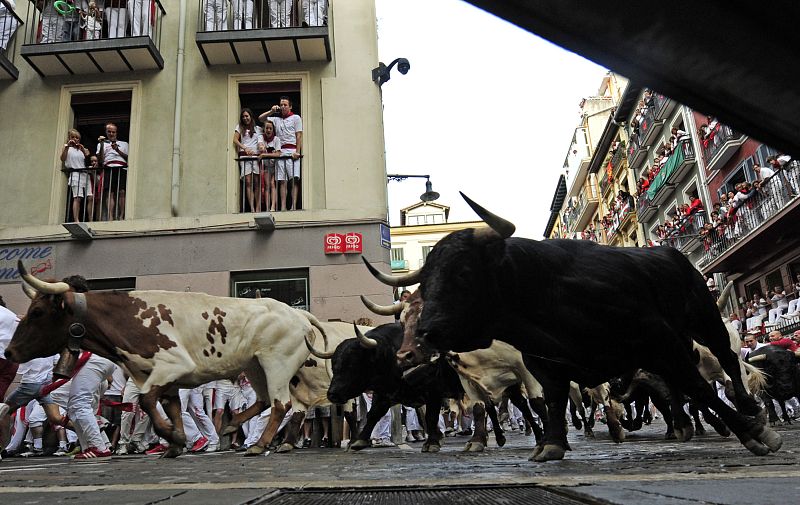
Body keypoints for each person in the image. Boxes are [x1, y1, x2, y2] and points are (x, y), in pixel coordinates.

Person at [259, 96, 303, 211]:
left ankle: (293, 206)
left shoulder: (296, 118)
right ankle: (283, 207)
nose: (283, 107)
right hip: (280, 151)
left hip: (292, 151)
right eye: (281, 105)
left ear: (290, 106)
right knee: (282, 181)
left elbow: (299, 135)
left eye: (285, 105)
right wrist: (272, 111)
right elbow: (261, 118)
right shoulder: (276, 119)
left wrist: (297, 152)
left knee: (293, 180)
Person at [233, 108, 264, 212]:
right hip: (245, 157)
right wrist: (244, 147)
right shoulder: (239, 127)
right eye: (243, 116)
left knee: (257, 183)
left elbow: (262, 141)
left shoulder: (257, 129)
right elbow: (235, 140)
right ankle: (252, 208)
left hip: (255, 157)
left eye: (247, 116)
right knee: (248, 182)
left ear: (251, 116)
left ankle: (258, 207)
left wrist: (261, 148)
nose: (245, 118)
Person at [96, 122, 129, 220]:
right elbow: (101, 160)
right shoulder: (101, 144)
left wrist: (117, 150)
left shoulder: (124, 144)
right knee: (110, 193)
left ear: (116, 133)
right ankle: (110, 216)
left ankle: (121, 215)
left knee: (122, 192)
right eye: (109, 132)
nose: (111, 134)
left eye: (113, 132)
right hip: (108, 168)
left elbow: (129, 158)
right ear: (106, 132)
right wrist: (102, 145)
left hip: (121, 168)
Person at [61, 129, 92, 222]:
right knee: (77, 198)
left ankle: (90, 219)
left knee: (90, 197)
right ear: (69, 138)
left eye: (77, 138)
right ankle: (76, 219)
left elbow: (88, 155)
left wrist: (82, 149)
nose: (75, 139)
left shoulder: (82, 148)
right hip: (75, 174)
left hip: (85, 174)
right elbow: (62, 158)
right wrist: (67, 147)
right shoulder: (66, 147)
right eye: (73, 137)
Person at [259, 120, 282, 212]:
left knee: (273, 185)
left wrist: (264, 155)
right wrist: (262, 148)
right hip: (266, 167)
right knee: (267, 186)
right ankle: (268, 207)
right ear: (264, 129)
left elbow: (278, 154)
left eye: (270, 128)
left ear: (273, 130)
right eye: (267, 128)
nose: (268, 130)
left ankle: (273, 206)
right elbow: (260, 146)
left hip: (274, 166)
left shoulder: (276, 139)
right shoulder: (261, 137)